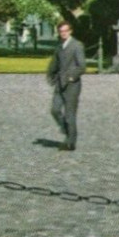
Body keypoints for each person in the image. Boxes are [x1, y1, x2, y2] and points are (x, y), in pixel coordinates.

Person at [46, 20, 87, 151]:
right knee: (55, 110)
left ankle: (70, 142)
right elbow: (54, 63)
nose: (63, 33)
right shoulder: (59, 46)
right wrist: (50, 75)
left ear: (70, 31)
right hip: (59, 83)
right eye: (61, 31)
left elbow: (82, 66)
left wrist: (71, 77)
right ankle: (66, 131)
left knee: (70, 114)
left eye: (65, 31)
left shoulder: (77, 45)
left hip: (72, 85)